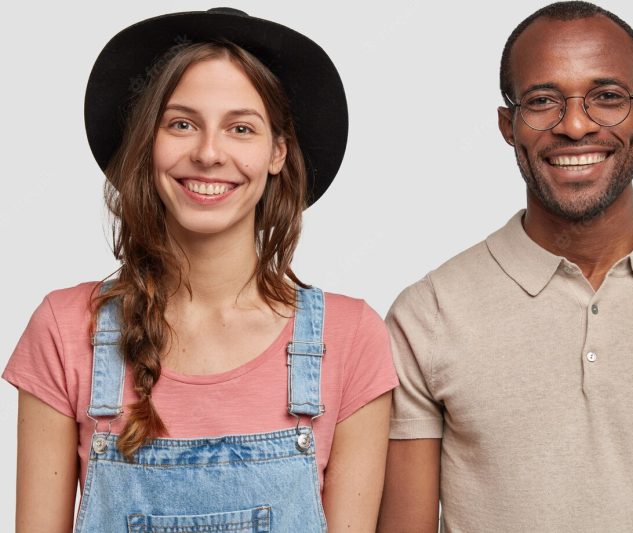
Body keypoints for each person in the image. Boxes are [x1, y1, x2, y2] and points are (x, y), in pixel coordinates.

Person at [378, 2, 633, 532]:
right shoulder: (426, 316)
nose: (574, 125)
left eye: (607, 98)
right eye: (543, 100)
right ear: (509, 124)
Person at [3, 8, 398, 532]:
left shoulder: (350, 338)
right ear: (148, 141)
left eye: (240, 128)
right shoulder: (64, 326)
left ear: (277, 152)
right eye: (182, 124)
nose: (209, 153)